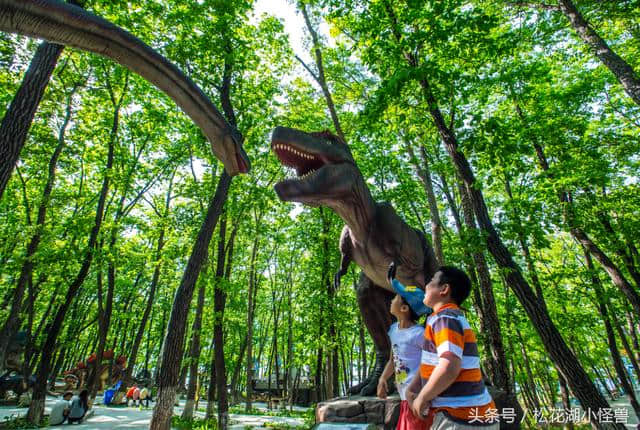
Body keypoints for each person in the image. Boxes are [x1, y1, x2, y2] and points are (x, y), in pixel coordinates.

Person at [407, 266, 499, 429]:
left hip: (459, 418)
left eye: (431, 281)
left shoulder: (445, 319)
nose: (426, 285)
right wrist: (414, 387)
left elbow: (449, 366)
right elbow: (435, 362)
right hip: (469, 416)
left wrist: (423, 396)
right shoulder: (444, 318)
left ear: (444, 289)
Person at [378, 262, 431, 430]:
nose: (392, 300)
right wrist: (383, 379)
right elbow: (394, 359)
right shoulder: (394, 330)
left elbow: (431, 362)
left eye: (396, 298)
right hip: (404, 398)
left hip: (417, 397)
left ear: (404, 308)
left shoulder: (418, 334)